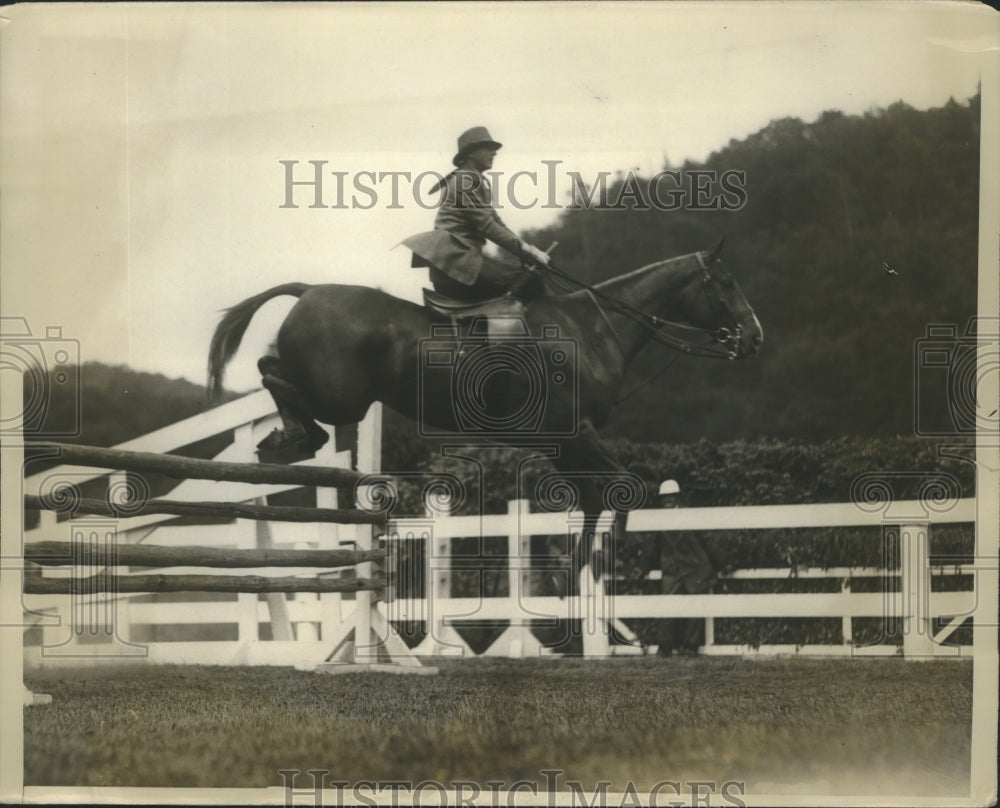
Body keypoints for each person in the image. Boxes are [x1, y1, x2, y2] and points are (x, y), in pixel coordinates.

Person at [404, 126, 551, 302]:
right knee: (531, 280)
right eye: (488, 148)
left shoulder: (472, 179)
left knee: (528, 275)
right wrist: (529, 252)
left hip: (460, 264)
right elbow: (487, 227)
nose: (494, 153)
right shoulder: (465, 181)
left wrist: (529, 252)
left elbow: (496, 222)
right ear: (471, 153)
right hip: (456, 266)